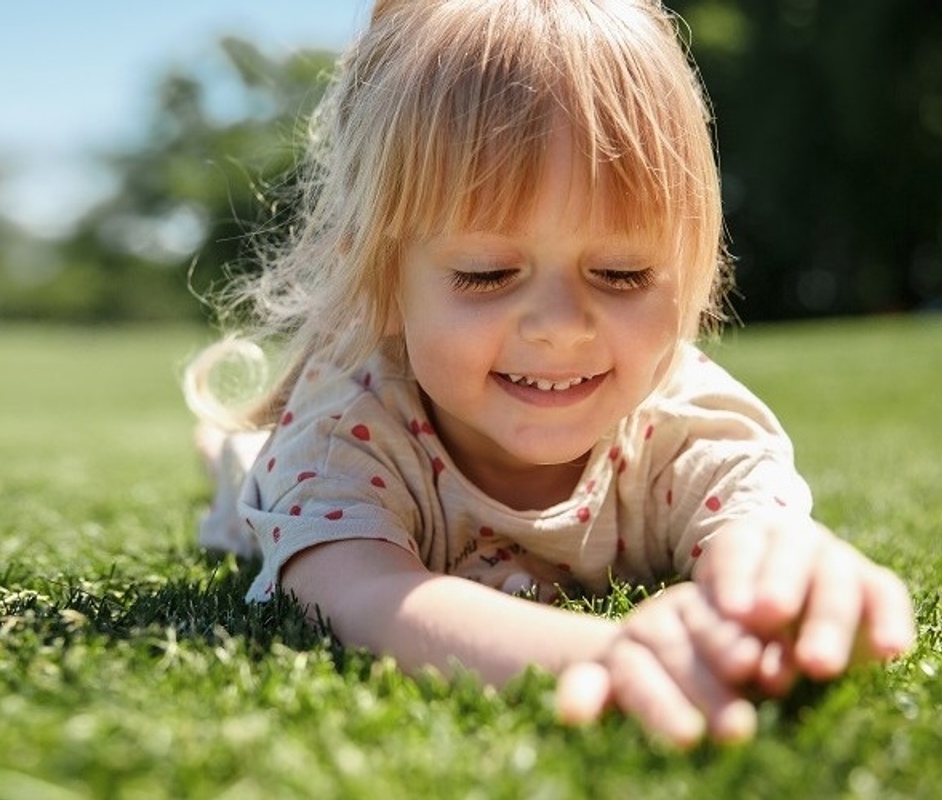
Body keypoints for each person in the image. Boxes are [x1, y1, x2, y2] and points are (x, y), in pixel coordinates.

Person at [184, 0, 915, 748]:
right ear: (379, 281)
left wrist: (778, 580)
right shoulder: (346, 431)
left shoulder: (689, 418)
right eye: (488, 272)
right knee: (255, 481)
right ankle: (229, 453)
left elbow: (751, 522)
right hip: (294, 471)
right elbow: (359, 595)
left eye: (623, 272)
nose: (561, 326)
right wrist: (607, 655)